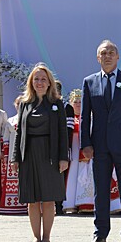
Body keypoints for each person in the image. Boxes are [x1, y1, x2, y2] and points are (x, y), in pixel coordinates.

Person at [80, 39, 121, 242]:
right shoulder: (89, 82)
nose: (107, 56)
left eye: (111, 53)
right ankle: (100, 234)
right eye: (103, 53)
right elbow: (85, 116)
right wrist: (86, 144)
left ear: (118, 56)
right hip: (99, 146)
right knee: (101, 191)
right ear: (98, 58)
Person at [11, 63, 69, 242]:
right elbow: (19, 133)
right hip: (28, 154)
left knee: (49, 198)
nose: (40, 82)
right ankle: (36, 238)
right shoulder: (25, 104)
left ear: (49, 82)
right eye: (36, 79)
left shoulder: (57, 104)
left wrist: (63, 157)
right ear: (31, 82)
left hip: (49, 154)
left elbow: (63, 133)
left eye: (43, 79)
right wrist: (15, 158)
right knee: (32, 198)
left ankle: (46, 238)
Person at [0, 96, 27, 214]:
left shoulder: (28, 119)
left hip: (25, 152)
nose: (19, 106)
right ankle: (10, 204)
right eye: (18, 104)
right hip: (12, 153)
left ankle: (25, 203)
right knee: (12, 176)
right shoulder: (10, 121)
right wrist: (5, 155)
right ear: (15, 105)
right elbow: (5, 139)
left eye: (22, 104)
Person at [54, 80, 74, 215]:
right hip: (47, 147)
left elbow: (69, 130)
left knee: (61, 176)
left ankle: (59, 204)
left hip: (61, 146)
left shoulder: (67, 107)